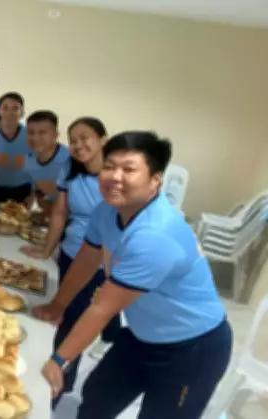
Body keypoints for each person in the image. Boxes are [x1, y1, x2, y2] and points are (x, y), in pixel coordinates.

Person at [37, 131, 232, 418]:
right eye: (109, 166)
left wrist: (58, 360)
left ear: (156, 179)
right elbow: (87, 260)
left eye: (128, 169)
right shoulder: (107, 210)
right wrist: (58, 304)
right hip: (142, 334)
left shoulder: (155, 234)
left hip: (192, 346)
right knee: (96, 399)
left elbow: (103, 307)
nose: (115, 177)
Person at [20, 117, 121, 405]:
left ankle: (55, 390)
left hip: (100, 266)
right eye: (73, 139)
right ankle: (39, 380)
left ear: (103, 139)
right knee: (55, 320)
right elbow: (60, 213)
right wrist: (46, 250)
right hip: (70, 254)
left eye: (85, 137)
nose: (77, 144)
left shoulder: (115, 180)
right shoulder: (70, 170)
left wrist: (111, 274)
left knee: (73, 325)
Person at [22, 110, 70, 214]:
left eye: (42, 132)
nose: (35, 138)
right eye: (31, 133)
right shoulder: (28, 159)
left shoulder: (70, 160)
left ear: (56, 134)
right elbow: (38, 192)